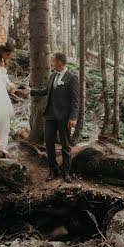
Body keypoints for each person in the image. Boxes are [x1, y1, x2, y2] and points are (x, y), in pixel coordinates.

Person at [19, 52, 79, 181]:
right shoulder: (52, 76)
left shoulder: (72, 77)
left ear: (60, 62)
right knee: (49, 143)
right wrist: (31, 91)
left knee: (65, 144)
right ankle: (53, 170)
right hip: (50, 115)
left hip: (64, 117)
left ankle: (66, 172)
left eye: (53, 60)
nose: (51, 63)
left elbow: (75, 99)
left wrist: (73, 117)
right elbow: (46, 91)